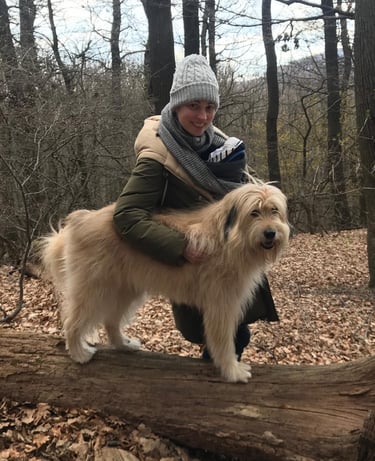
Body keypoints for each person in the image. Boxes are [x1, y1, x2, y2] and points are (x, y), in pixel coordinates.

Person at [113, 54, 279, 361]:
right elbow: (126, 215)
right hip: (192, 261)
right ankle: (209, 387)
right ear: (177, 105)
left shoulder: (218, 145)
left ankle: (214, 381)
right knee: (218, 330)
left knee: (237, 329)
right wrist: (180, 245)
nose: (202, 116)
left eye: (209, 107)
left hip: (230, 258)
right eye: (194, 106)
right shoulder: (157, 155)